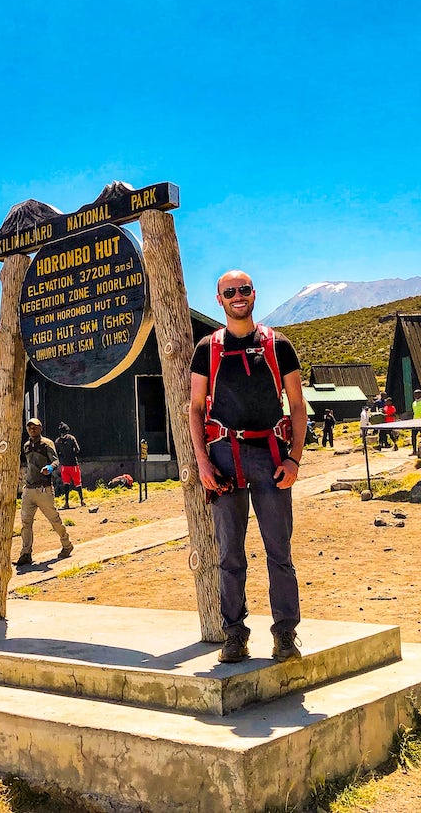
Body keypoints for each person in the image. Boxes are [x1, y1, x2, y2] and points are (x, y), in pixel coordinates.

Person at [189, 270, 307, 664]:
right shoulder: (206, 348)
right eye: (229, 292)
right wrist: (203, 461)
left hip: (272, 457)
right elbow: (194, 408)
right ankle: (234, 634)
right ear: (218, 299)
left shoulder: (279, 346)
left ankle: (285, 635)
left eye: (243, 290)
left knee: (279, 550)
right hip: (223, 457)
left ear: (253, 294)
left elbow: (297, 404)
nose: (237, 297)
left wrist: (294, 458)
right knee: (230, 554)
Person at [15, 418, 74, 567]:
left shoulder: (47, 444)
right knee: (26, 523)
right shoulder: (27, 446)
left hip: (44, 488)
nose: (32, 430)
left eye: (35, 427)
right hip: (28, 489)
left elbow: (56, 461)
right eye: (30, 428)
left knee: (54, 520)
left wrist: (50, 468)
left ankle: (66, 544)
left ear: (40, 428)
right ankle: (26, 553)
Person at [54, 422, 85, 509]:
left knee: (66, 484)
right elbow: (77, 450)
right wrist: (73, 454)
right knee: (78, 483)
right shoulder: (71, 438)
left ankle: (66, 503)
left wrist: (62, 458)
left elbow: (56, 453)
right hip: (73, 464)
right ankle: (82, 500)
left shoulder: (57, 441)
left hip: (64, 465)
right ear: (67, 430)